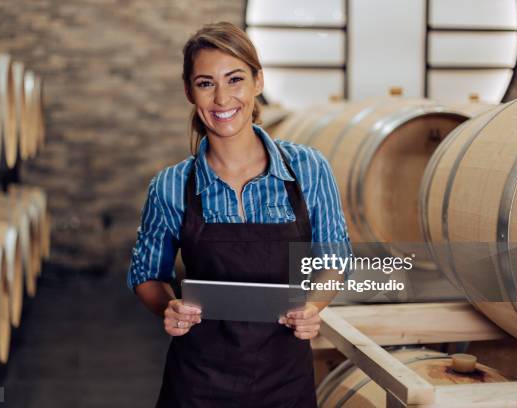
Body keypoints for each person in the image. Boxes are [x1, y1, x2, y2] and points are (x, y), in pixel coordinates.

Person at [127, 21, 352, 407]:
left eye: (234, 80)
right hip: (197, 384)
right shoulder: (171, 186)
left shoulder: (308, 169)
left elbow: (334, 259)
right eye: (205, 83)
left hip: (285, 382)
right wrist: (169, 307)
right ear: (188, 91)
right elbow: (147, 275)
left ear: (258, 82)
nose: (222, 98)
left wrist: (313, 307)